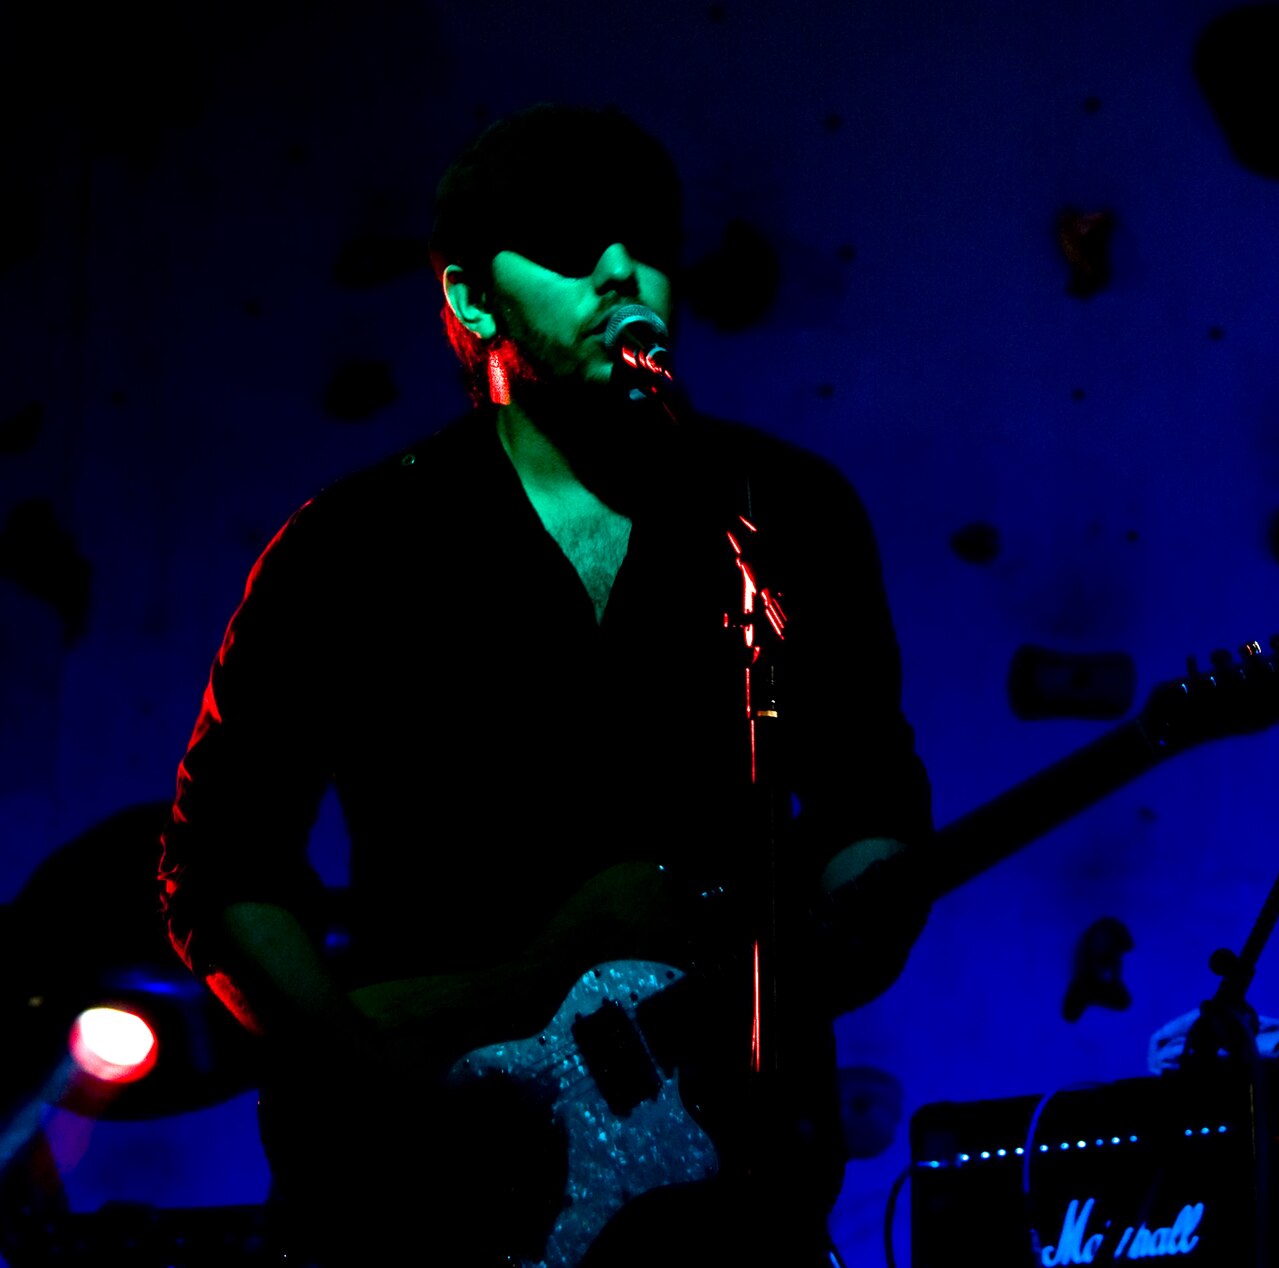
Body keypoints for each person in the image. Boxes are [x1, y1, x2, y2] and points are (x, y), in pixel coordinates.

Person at [156, 103, 933, 1266]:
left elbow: (867, 802)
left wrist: (843, 924)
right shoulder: (353, 543)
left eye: (648, 242)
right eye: (571, 247)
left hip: (722, 1181)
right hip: (433, 1190)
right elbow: (223, 868)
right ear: (473, 301)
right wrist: (382, 1068)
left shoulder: (786, 514)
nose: (623, 270)